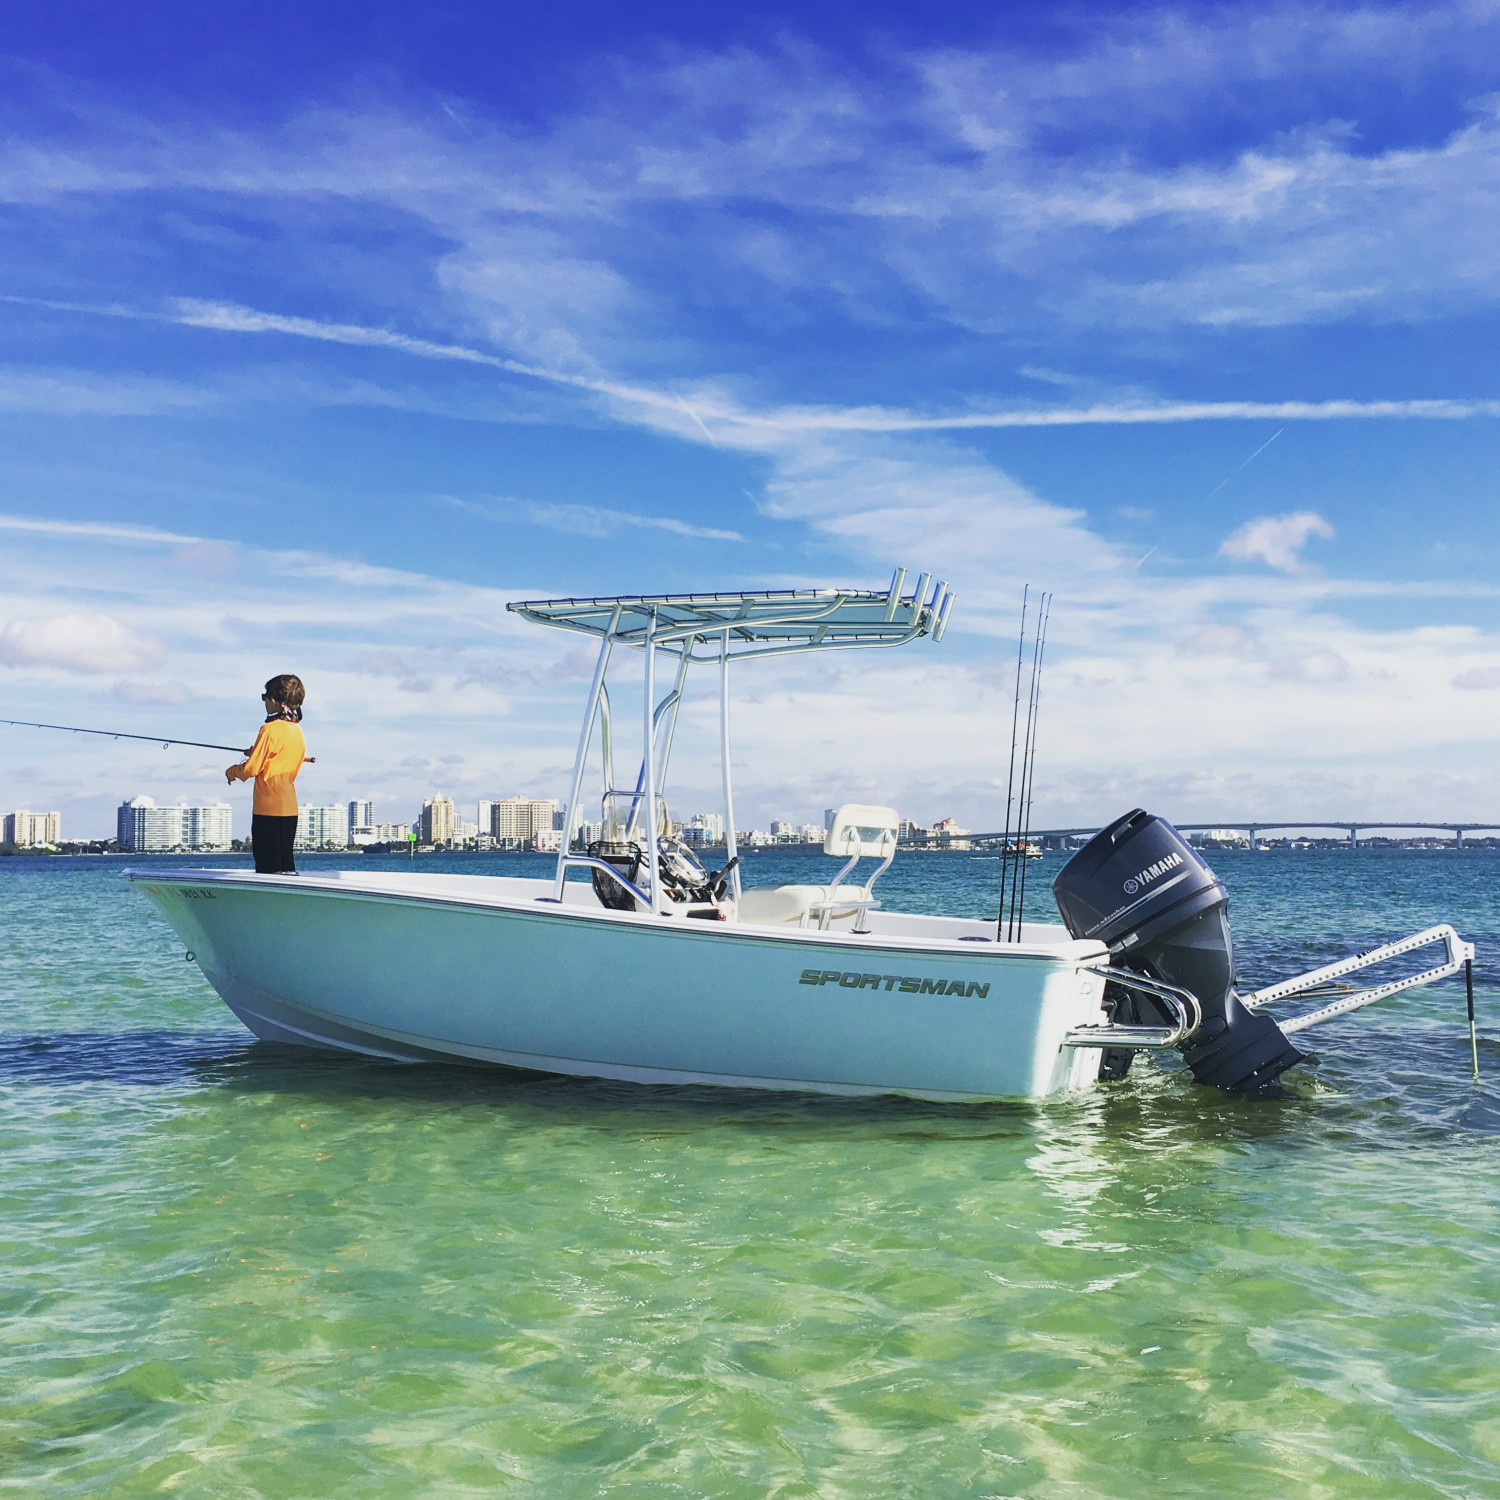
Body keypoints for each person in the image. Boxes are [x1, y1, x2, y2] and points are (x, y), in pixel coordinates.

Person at [226, 674, 313, 875]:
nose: (264, 701)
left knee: (267, 866)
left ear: (274, 700)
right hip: (290, 808)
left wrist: (232, 772)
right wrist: (257, 752)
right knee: (286, 865)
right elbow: (285, 760)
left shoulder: (268, 729)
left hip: (267, 809)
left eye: (265, 696)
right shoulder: (297, 731)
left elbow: (250, 770)